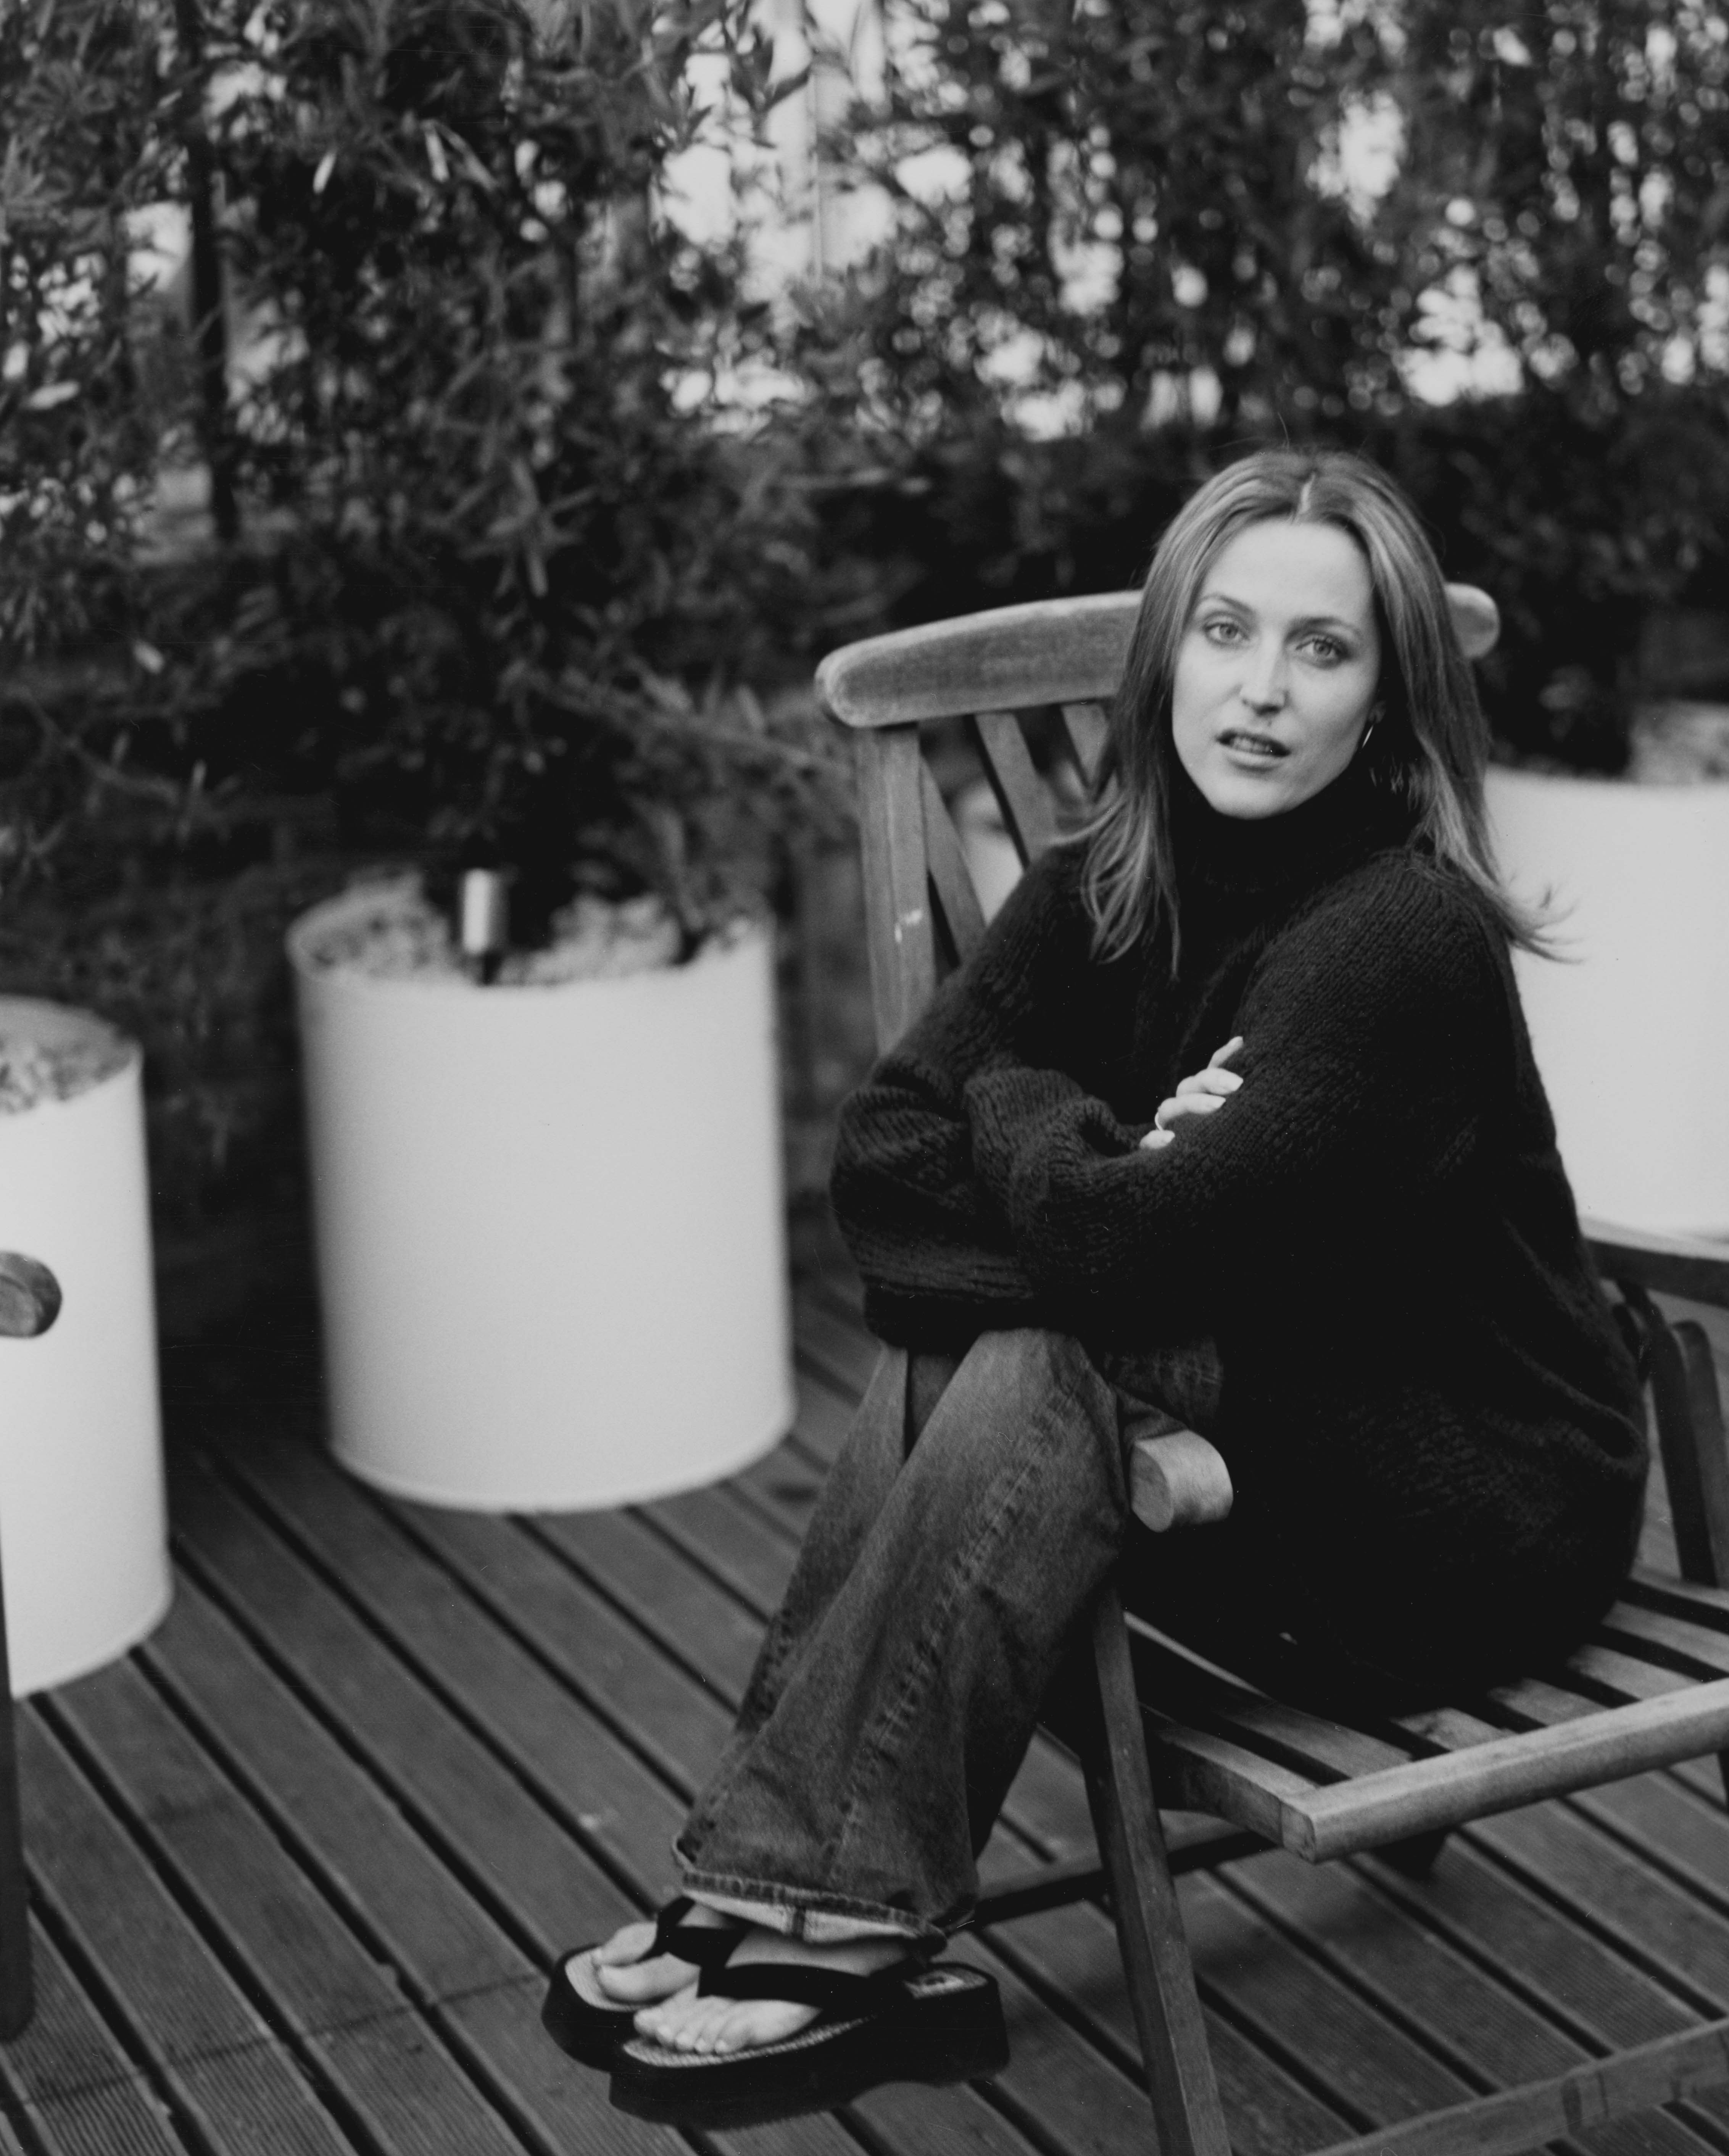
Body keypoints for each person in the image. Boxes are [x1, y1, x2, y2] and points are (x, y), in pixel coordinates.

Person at [542, 448, 1651, 2128]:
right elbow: (879, 1173)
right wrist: (1119, 1166)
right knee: (1006, 1336)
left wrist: (1034, 1121)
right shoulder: (1105, 884)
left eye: (1322, 650)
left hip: (1466, 1507)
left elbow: (1111, 1249)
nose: (1260, 689)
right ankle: (803, 1895)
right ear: (1168, 653)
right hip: (1263, 1455)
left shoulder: (1396, 938)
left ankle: (816, 1904)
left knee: (1056, 1344)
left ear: (1386, 702)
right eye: (1226, 630)